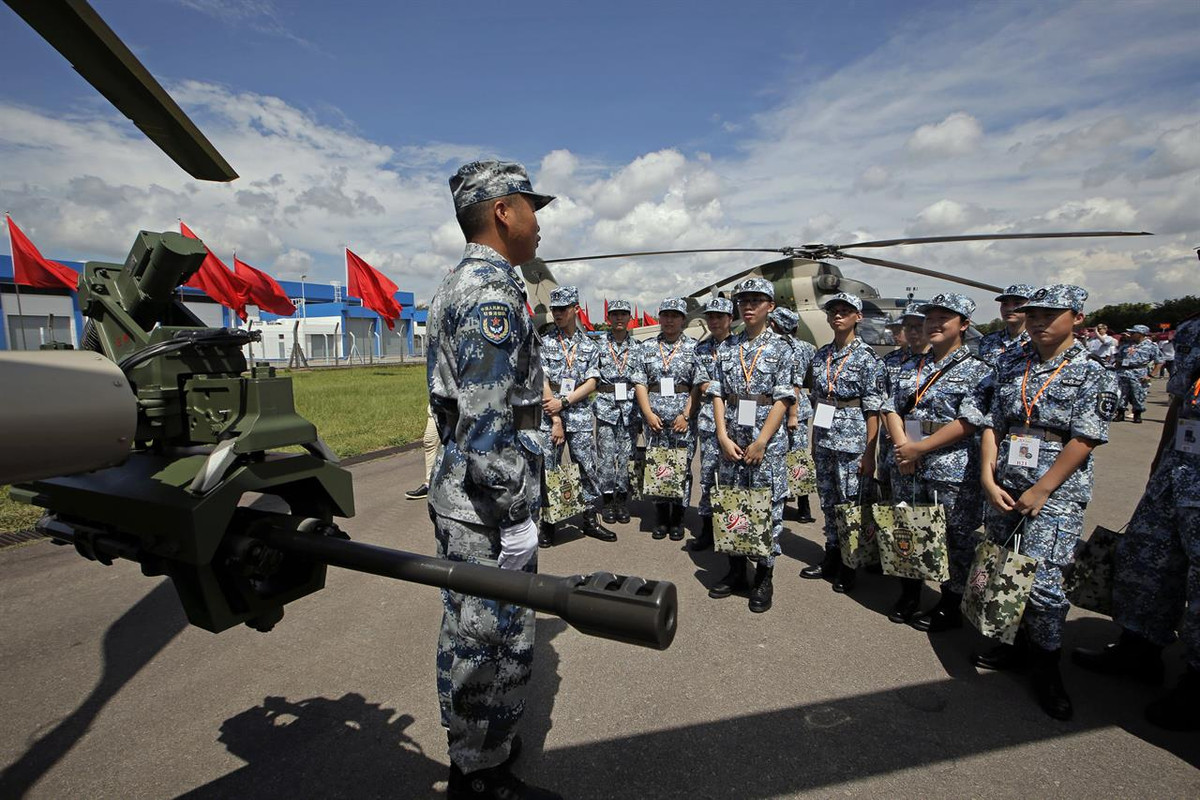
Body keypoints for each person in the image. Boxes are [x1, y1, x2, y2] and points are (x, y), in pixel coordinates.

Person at [427, 160, 561, 799]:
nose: (539, 221)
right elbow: (487, 423)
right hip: (487, 504)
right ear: (503, 211)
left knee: (472, 627)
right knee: (490, 635)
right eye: (531, 206)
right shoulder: (491, 294)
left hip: (468, 493)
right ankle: (479, 774)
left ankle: (484, 749)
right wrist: (515, 513)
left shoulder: (464, 282)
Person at [974, 284, 1116, 721]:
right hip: (1006, 483)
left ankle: (1047, 666)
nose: (1037, 321)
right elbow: (992, 423)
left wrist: (1043, 489)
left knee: (1044, 584)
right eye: (1033, 314)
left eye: (1049, 315)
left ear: (1077, 318)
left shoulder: (1092, 371)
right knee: (1005, 566)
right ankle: (1013, 644)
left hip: (1055, 493)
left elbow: (1086, 437)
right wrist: (987, 476)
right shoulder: (1010, 363)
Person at [1072, 314, 1200, 731]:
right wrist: (1159, 462)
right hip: (1178, 470)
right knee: (1148, 562)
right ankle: (1139, 647)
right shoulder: (1193, 331)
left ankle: (1196, 681)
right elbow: (1180, 403)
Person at [881, 293, 990, 627]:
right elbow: (890, 407)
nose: (934, 324)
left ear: (964, 324)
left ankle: (950, 602)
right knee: (908, 526)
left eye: (944, 318)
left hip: (951, 467)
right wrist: (904, 446)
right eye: (930, 318)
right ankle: (910, 592)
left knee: (955, 537)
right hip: (907, 459)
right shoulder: (910, 365)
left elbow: (969, 421)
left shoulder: (979, 370)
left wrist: (920, 449)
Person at [707, 278, 796, 612]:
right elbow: (718, 393)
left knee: (766, 505)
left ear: (770, 306)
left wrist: (761, 441)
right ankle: (735, 570)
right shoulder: (728, 346)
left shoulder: (782, 348)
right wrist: (721, 435)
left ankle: (763, 576)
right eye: (743, 300)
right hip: (732, 439)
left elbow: (783, 398)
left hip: (764, 443)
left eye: (756, 300)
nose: (748, 306)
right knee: (732, 502)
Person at [799, 292, 884, 592]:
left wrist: (870, 453)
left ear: (858, 317)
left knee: (851, 503)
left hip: (852, 441)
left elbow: (873, 410)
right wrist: (813, 441)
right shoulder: (821, 355)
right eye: (833, 310)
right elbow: (817, 399)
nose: (837, 315)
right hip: (824, 438)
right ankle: (831, 555)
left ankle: (850, 563)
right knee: (828, 500)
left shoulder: (868, 358)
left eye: (845, 311)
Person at [538, 285, 615, 546]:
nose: (558, 314)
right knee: (549, 469)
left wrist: (564, 402)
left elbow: (592, 381)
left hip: (579, 413)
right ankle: (548, 524)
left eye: (563, 309)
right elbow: (542, 380)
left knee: (586, 467)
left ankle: (590, 519)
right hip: (550, 416)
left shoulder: (589, 345)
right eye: (554, 309)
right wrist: (556, 417)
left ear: (575, 309)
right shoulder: (545, 342)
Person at [632, 298, 702, 541]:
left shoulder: (694, 348)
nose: (669, 320)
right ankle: (661, 517)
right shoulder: (646, 347)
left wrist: (686, 415)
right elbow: (640, 383)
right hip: (656, 420)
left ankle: (678, 518)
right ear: (659, 318)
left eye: (675, 316)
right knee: (658, 466)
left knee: (682, 466)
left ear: (683, 319)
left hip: (683, 419)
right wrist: (648, 414)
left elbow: (697, 385)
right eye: (665, 315)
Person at [693, 296, 736, 549]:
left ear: (730, 318)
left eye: (719, 316)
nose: (714, 321)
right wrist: (728, 389)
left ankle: (734, 527)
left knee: (735, 478)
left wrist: (719, 387)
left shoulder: (742, 346)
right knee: (709, 475)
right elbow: (702, 383)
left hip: (739, 422)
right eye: (710, 317)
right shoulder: (701, 349)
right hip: (710, 421)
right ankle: (708, 528)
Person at [769, 306, 818, 523]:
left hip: (786, 408)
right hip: (797, 408)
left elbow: (795, 384)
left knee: (788, 455)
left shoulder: (782, 346)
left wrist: (792, 414)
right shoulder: (808, 347)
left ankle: (797, 504)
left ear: (775, 324)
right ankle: (803, 506)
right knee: (798, 457)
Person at [594, 299, 640, 524]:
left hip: (630, 409)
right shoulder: (598, 345)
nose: (619, 318)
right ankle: (607, 500)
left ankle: (622, 500)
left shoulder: (639, 347)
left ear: (630, 317)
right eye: (615, 314)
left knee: (626, 456)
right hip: (606, 406)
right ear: (608, 318)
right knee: (605, 456)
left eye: (623, 314)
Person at [879, 303, 930, 502]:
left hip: (926, 441)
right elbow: (883, 400)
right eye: (909, 327)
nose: (913, 332)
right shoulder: (891, 361)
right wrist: (896, 436)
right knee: (891, 493)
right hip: (892, 436)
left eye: (919, 326)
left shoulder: (939, 362)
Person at [977, 284, 1035, 367]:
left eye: (1017, 303)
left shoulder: (1037, 341)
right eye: (1005, 304)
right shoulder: (988, 341)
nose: (1009, 309)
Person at [1114, 324, 1160, 423]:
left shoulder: (1151, 346)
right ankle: (1120, 413)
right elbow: (1118, 360)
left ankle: (1137, 414)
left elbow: (1159, 362)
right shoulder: (1125, 345)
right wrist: (1114, 373)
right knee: (1121, 394)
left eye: (1133, 333)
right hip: (1123, 372)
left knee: (1138, 395)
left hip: (1139, 373)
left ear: (1140, 334)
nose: (1130, 334)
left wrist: (1151, 375)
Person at [406, 403, 438, 499]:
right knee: (429, 441)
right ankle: (429, 485)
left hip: (459, 405)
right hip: (437, 405)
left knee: (459, 443)